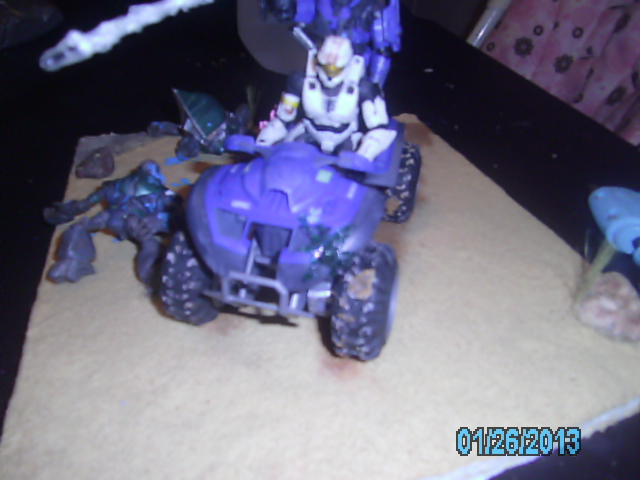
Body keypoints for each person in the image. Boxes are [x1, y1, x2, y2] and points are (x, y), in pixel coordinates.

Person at [256, 35, 396, 161]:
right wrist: (263, 142)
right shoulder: (300, 82)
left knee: (349, 172)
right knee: (288, 161)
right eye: (327, 68)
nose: (330, 74)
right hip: (309, 134)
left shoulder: (364, 88)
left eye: (335, 69)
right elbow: (283, 119)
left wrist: (364, 155)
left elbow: (379, 130)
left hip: (346, 139)